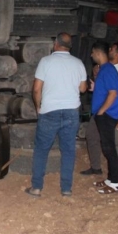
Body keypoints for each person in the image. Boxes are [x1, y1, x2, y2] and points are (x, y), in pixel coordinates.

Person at [26, 32, 87, 198]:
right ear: (70, 46)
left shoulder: (46, 62)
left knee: (41, 150)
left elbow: (37, 89)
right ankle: (66, 189)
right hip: (71, 112)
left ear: (55, 44)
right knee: (68, 151)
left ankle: (37, 188)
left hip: (50, 111)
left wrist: (38, 107)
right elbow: (82, 88)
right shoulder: (78, 63)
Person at [80, 42, 118, 180]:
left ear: (117, 54)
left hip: (113, 111)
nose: (109, 49)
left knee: (115, 143)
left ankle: (117, 174)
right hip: (101, 111)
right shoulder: (105, 68)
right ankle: (96, 167)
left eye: (112, 49)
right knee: (92, 135)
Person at [89, 42, 118, 194]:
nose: (91, 55)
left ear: (98, 52)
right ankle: (110, 179)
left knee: (109, 149)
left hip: (107, 115)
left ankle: (115, 183)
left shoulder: (108, 69)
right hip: (104, 115)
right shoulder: (104, 69)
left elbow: (113, 93)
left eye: (92, 52)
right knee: (107, 147)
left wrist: (101, 111)